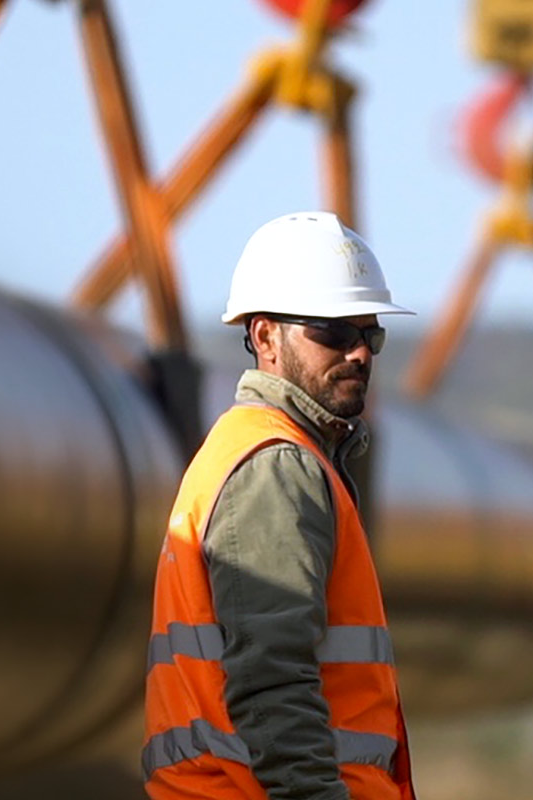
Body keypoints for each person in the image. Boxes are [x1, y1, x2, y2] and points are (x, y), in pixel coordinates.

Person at [144, 211, 417, 800]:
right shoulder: (276, 465)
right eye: (333, 332)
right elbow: (273, 681)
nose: (360, 354)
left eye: (370, 335)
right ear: (265, 336)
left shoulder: (273, 452)